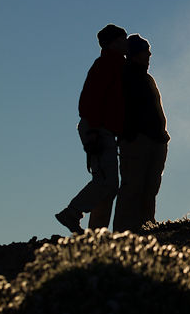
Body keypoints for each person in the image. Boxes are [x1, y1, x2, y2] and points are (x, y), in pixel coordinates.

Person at [55, 24, 127, 234]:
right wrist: (94, 132)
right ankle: (72, 212)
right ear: (113, 43)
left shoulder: (115, 64)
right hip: (97, 128)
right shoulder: (106, 64)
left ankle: (91, 226)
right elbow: (90, 100)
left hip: (101, 129)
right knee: (106, 180)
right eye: (122, 39)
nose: (125, 43)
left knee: (108, 182)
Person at [112, 34, 170, 232]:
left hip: (156, 139)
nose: (149, 55)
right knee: (132, 188)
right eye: (146, 51)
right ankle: (123, 235)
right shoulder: (124, 76)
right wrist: (130, 134)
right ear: (135, 54)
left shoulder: (146, 78)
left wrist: (162, 135)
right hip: (137, 140)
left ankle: (145, 229)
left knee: (149, 188)